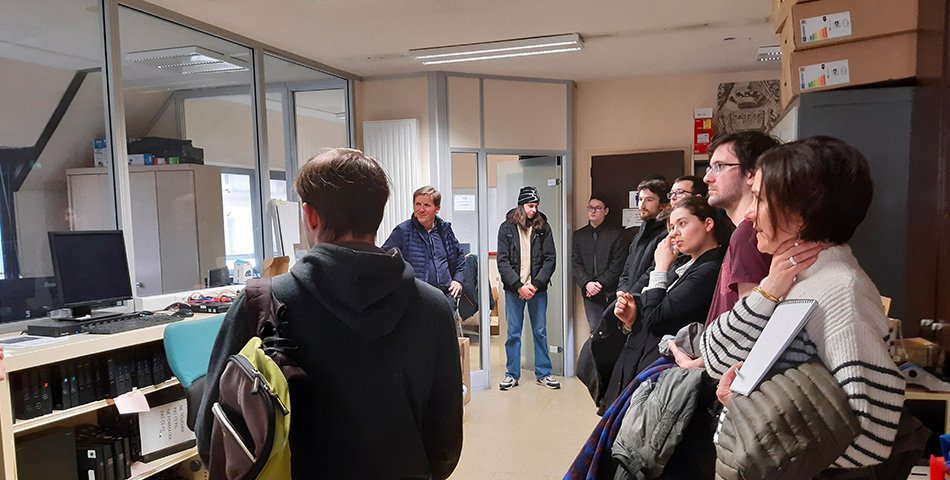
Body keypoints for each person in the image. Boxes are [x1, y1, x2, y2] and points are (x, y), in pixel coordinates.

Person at [196, 148, 463, 479]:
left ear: (310, 216)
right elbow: (445, 443)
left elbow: (212, 433)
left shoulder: (260, 304)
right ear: (379, 214)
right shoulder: (434, 308)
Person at [703, 137, 904, 470]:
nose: (750, 214)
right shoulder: (798, 279)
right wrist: (768, 291)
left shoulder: (839, 291)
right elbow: (715, 356)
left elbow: (874, 435)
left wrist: (752, 416)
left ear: (800, 216)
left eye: (759, 199)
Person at [602, 195, 727, 409]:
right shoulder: (688, 264)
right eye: (671, 226)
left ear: (708, 224)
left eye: (683, 224)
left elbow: (656, 319)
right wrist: (632, 319)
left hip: (669, 375)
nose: (674, 233)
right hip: (645, 360)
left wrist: (660, 267)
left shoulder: (709, 270)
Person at [702, 132, 779, 327]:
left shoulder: (749, 234)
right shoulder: (743, 232)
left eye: (719, 167)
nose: (707, 178)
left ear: (752, 174)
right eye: (710, 167)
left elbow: (750, 324)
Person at [497, 186, 560, 391]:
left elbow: (550, 259)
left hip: (537, 290)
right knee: (513, 333)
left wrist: (535, 285)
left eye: (536, 206)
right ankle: (512, 374)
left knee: (540, 331)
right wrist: (518, 286)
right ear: (521, 206)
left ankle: (543, 374)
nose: (534, 210)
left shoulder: (543, 227)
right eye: (530, 206)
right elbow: (503, 261)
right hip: (514, 289)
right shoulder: (506, 228)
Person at [382, 186, 466, 313]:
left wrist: (458, 280)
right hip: (415, 299)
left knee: (442, 333)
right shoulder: (403, 231)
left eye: (426, 205)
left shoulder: (445, 230)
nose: (421, 209)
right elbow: (384, 260)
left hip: (444, 298)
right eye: (417, 204)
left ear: (437, 209)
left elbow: (459, 256)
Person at [572, 194, 626, 333]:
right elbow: (575, 264)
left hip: (611, 290)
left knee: (615, 330)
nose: (593, 211)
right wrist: (588, 284)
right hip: (590, 292)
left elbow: (618, 263)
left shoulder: (616, 234)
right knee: (596, 331)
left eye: (598, 208)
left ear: (606, 211)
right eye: (590, 208)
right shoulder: (579, 236)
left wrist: (600, 283)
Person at [617, 179, 671, 294]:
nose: (642, 205)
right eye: (640, 199)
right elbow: (626, 270)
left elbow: (653, 271)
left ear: (663, 205)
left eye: (649, 200)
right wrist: (622, 293)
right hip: (630, 299)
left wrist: (631, 295)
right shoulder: (639, 235)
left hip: (647, 299)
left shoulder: (667, 234)